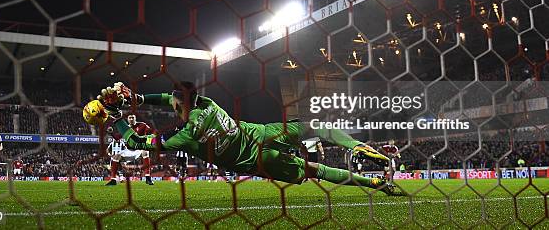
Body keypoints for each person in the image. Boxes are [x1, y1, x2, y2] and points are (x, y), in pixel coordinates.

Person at [95, 82, 396, 194]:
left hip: (259, 160)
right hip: (264, 132)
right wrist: (134, 97)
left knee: (316, 171)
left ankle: (374, 184)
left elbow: (135, 143)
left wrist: (115, 117)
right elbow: (172, 97)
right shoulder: (208, 104)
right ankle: (356, 146)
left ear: (178, 108)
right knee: (314, 126)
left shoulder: (184, 137)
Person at [126, 114, 154, 185]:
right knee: (116, 156)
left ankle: (148, 178)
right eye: (130, 118)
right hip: (130, 148)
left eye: (133, 117)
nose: (131, 119)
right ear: (127, 119)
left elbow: (151, 131)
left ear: (135, 118)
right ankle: (115, 178)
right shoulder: (126, 128)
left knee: (145, 152)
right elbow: (119, 137)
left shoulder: (142, 125)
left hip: (140, 147)